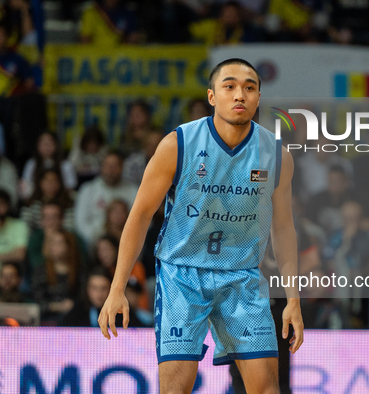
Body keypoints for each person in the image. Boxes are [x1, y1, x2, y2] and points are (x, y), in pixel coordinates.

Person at [98, 58, 303, 394]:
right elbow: (139, 215)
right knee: (176, 388)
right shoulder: (177, 145)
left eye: (250, 88)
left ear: (258, 98)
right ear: (212, 97)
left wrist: (292, 298)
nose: (240, 94)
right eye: (230, 86)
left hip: (241, 275)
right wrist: (117, 286)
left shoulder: (277, 155)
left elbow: (283, 228)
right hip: (182, 274)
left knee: (267, 388)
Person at [74, 150, 137, 246]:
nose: (111, 170)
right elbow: (80, 223)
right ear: (101, 167)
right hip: (93, 243)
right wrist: (100, 241)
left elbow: (142, 221)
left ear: (122, 167)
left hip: (125, 242)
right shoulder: (88, 189)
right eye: (107, 165)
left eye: (115, 166)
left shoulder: (133, 191)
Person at [61, 266, 144, 327]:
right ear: (87, 289)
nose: (99, 293)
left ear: (111, 289)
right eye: (94, 288)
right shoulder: (77, 311)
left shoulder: (120, 311)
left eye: (103, 288)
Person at [20, 132, 77, 199]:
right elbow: (26, 185)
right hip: (36, 199)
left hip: (60, 200)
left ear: (56, 145)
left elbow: (70, 186)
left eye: (49, 143)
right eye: (43, 144)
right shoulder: (31, 164)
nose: (46, 147)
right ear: (37, 146)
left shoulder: (65, 165)